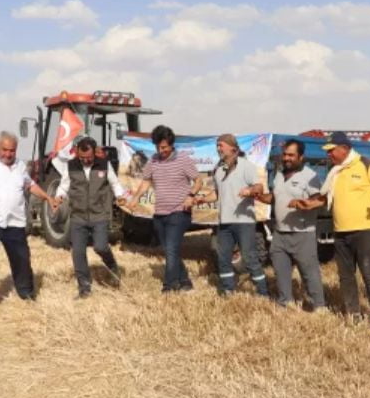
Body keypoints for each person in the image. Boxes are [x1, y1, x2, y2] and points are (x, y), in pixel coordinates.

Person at [299, 131, 370, 323]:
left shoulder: (366, 165)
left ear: (345, 148)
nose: (329, 154)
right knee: (345, 275)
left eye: (332, 150)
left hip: (365, 229)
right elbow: (325, 197)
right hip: (340, 231)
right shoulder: (336, 172)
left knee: (369, 272)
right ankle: (353, 312)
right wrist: (308, 204)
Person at [0, 131, 59, 314]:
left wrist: (47, 198)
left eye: (12, 150)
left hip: (15, 223)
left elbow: (30, 185)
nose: (8, 154)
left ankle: (26, 293)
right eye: (4, 150)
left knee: (21, 260)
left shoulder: (20, 166)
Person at [127, 125, 203, 293]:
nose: (161, 150)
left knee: (171, 249)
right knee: (170, 250)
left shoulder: (183, 159)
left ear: (171, 144)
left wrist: (191, 195)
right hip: (159, 214)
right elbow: (146, 181)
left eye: (164, 147)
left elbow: (198, 181)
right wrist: (135, 198)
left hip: (179, 212)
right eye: (158, 147)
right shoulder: (153, 160)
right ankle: (185, 282)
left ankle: (169, 287)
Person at [255, 138, 326, 311]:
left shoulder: (310, 176)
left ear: (301, 157)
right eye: (285, 154)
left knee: (310, 274)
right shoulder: (279, 174)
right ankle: (284, 302)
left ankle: (319, 306)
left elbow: (319, 199)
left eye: (291, 155)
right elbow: (275, 196)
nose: (286, 158)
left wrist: (305, 203)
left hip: (302, 233)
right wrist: (259, 196)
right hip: (279, 234)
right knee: (281, 272)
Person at [54, 137, 128, 298]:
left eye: (89, 157)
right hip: (78, 216)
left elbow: (115, 183)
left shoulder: (104, 164)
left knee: (100, 247)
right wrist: (59, 197)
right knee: (78, 252)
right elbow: (63, 186)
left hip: (99, 214)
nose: (86, 160)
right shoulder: (71, 166)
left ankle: (112, 265)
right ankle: (84, 287)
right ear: (77, 153)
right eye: (82, 157)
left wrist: (120, 196)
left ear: (94, 152)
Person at [195, 134, 268, 297]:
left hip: (244, 222)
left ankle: (263, 292)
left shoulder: (246, 166)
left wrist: (249, 191)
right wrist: (201, 200)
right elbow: (217, 193)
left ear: (232, 148)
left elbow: (259, 187)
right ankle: (228, 289)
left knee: (249, 258)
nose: (218, 148)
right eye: (217, 146)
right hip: (224, 222)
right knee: (223, 257)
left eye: (221, 145)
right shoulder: (219, 170)